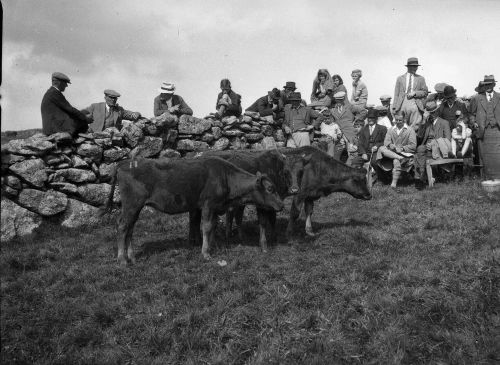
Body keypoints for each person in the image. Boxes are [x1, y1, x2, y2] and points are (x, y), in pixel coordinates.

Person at [414, 101, 452, 189]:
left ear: (437, 111)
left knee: (420, 154)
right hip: (425, 147)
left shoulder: (444, 123)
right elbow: (419, 136)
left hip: (438, 148)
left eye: (434, 112)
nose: (432, 114)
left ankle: (421, 179)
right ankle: (420, 178)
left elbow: (448, 140)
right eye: (430, 113)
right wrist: (423, 121)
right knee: (420, 150)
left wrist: (434, 144)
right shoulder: (427, 123)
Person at [41, 72, 93, 136]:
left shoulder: (51, 92)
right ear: (59, 82)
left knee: (83, 113)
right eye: (65, 83)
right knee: (83, 119)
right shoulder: (54, 93)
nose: (66, 85)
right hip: (55, 128)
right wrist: (85, 118)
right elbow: (70, 109)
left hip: (52, 125)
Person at [469, 75, 500, 180]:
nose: (488, 86)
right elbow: (471, 114)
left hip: (497, 130)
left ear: (494, 84)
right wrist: (474, 123)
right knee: (484, 155)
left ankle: (498, 177)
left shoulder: (499, 97)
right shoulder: (477, 98)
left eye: (490, 84)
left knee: (497, 155)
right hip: (483, 131)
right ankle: (485, 178)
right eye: (486, 84)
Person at [377, 113, 417, 187]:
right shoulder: (391, 129)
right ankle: (400, 158)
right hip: (392, 152)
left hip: (404, 153)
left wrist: (402, 148)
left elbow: (413, 145)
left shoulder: (410, 130)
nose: (398, 122)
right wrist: (390, 145)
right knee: (381, 148)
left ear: (404, 120)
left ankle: (394, 183)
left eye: (400, 120)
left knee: (396, 161)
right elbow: (386, 141)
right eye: (396, 120)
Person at [393, 57, 428, 131]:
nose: (415, 68)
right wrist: (394, 108)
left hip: (414, 102)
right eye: (413, 66)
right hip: (401, 103)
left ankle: (412, 140)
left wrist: (415, 93)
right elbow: (396, 94)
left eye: (416, 66)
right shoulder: (400, 78)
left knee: (415, 125)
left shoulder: (420, 78)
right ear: (408, 67)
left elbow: (425, 92)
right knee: (401, 125)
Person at [331, 91, 367, 162]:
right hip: (339, 134)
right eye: (337, 100)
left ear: (343, 99)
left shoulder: (350, 107)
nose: (339, 102)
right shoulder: (333, 110)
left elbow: (364, 111)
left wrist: (357, 120)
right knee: (336, 154)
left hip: (350, 133)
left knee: (352, 152)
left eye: (340, 100)